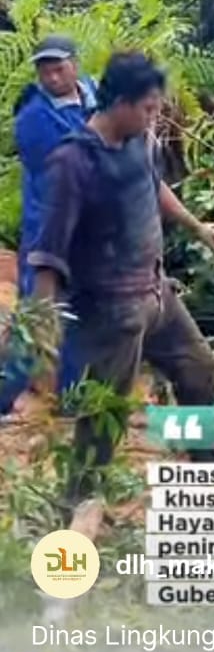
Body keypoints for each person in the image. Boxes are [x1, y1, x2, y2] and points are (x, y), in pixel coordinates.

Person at [27, 51, 214, 538]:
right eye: (148, 109)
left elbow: (152, 187)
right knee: (104, 421)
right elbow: (48, 251)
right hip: (110, 312)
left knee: (200, 371)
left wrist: (196, 225)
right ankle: (72, 511)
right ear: (118, 102)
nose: (154, 117)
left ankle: (204, 471)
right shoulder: (73, 162)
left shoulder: (140, 139)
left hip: (157, 294)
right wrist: (45, 324)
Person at [1, 36, 98, 415]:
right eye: (45, 71)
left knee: (81, 318)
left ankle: (72, 402)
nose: (52, 77)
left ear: (76, 64)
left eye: (59, 68)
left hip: (87, 237)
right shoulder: (34, 119)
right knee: (37, 323)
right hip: (49, 237)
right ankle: (4, 397)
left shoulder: (94, 96)